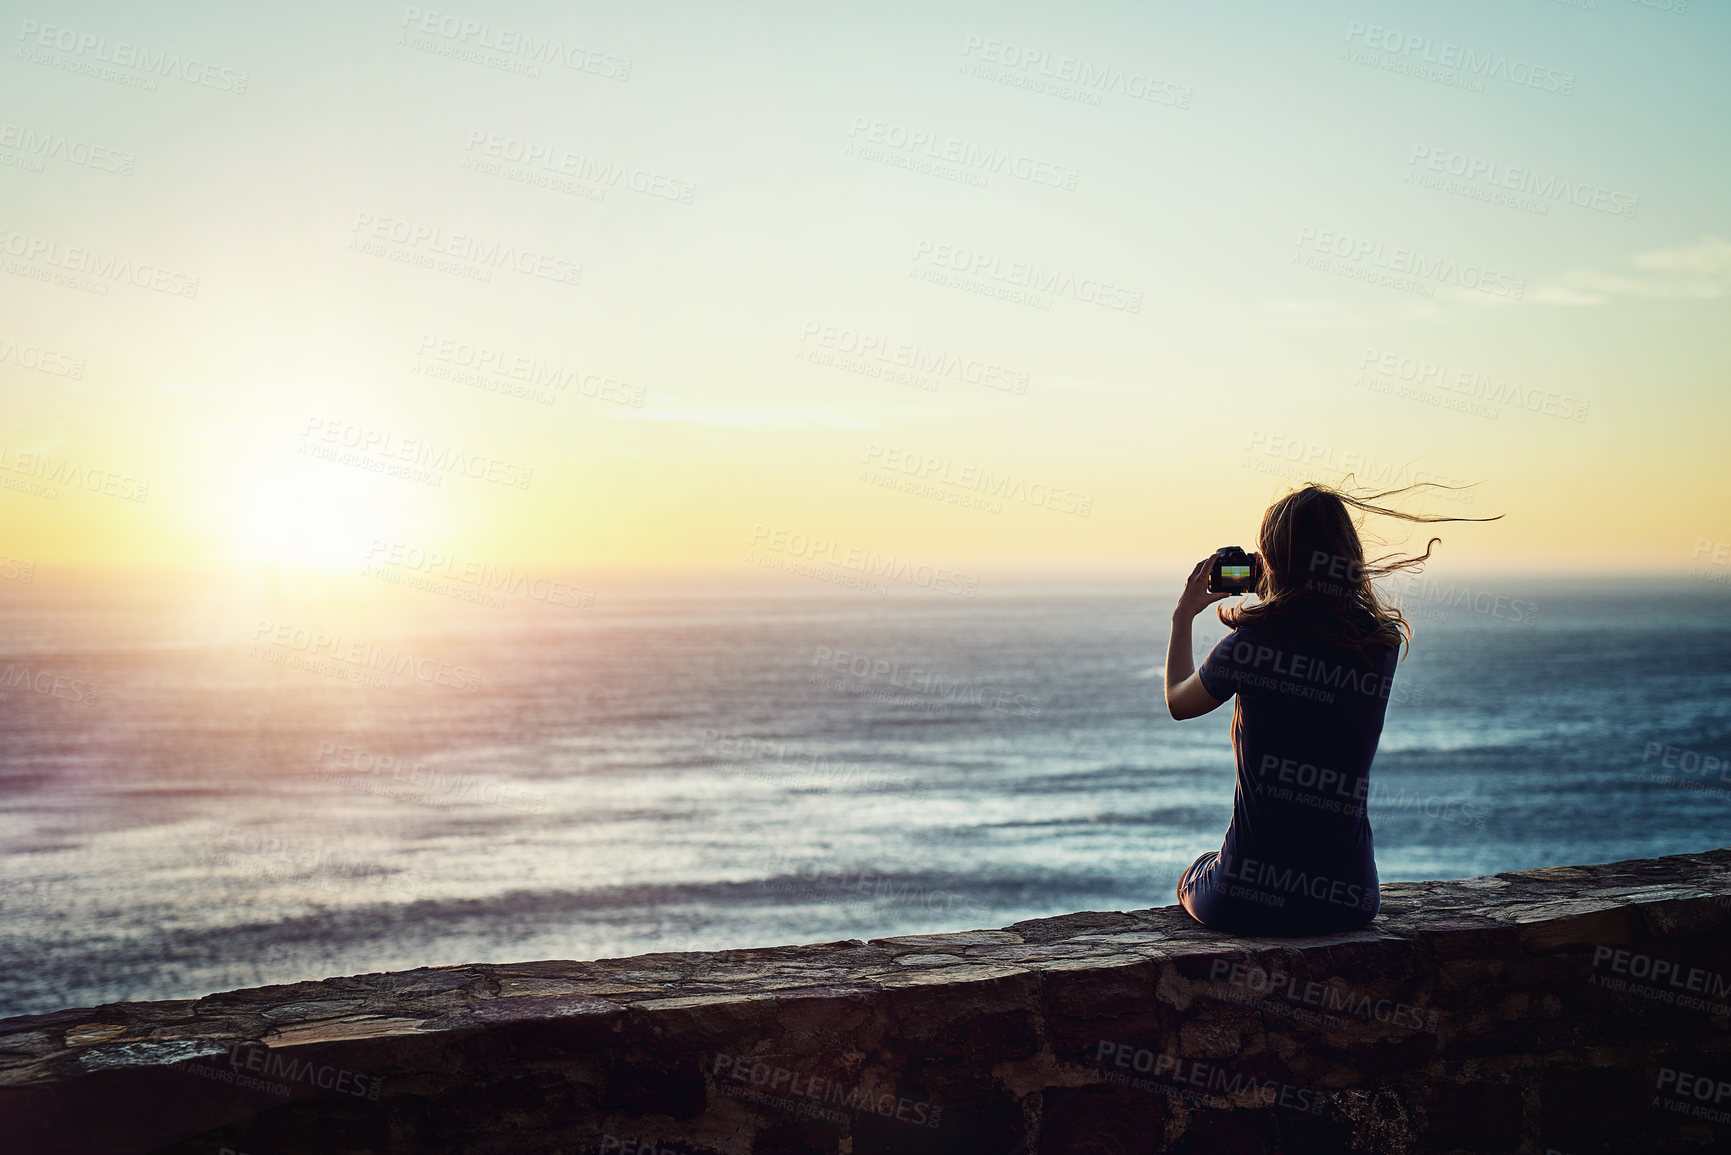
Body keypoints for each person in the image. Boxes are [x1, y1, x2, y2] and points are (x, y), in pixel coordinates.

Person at [1164, 482, 1498, 935]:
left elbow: (1179, 702)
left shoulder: (1251, 647)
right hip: (1351, 897)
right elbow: (1316, 636)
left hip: (1246, 898)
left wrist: (1184, 614)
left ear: (1273, 561)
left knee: (1197, 870)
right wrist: (1286, 584)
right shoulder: (1379, 643)